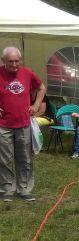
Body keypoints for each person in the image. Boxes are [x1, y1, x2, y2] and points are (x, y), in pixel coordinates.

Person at [0, 46, 45, 202]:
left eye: (17, 61)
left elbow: (41, 88)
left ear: (21, 60)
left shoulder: (27, 73)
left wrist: (36, 105)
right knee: (5, 158)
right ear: (3, 61)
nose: (14, 65)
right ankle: (7, 189)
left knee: (25, 158)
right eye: (10, 61)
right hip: (3, 124)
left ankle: (24, 189)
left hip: (24, 123)